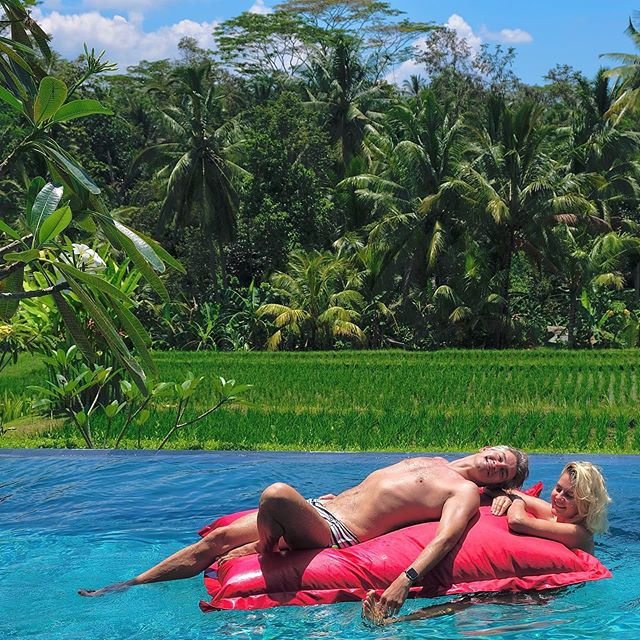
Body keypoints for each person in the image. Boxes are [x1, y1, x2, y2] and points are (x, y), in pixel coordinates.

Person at [79, 445, 528, 614]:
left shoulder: (464, 492)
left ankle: (264, 546)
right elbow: (374, 489)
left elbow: (446, 539)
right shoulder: (433, 460)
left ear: (497, 483)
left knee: (275, 493)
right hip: (323, 508)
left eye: (501, 470)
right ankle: (126, 584)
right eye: (498, 454)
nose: (494, 463)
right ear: (487, 445)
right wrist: (335, 496)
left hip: (337, 534)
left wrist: (404, 583)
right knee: (214, 541)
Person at [362, 460, 610, 626]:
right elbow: (512, 495)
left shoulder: (579, 533)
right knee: (467, 600)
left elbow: (518, 521)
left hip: (554, 594)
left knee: (468, 604)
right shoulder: (554, 512)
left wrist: (516, 503)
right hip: (530, 581)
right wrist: (507, 497)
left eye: (569, 495)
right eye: (558, 488)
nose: (558, 497)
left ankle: (393, 622)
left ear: (586, 503)